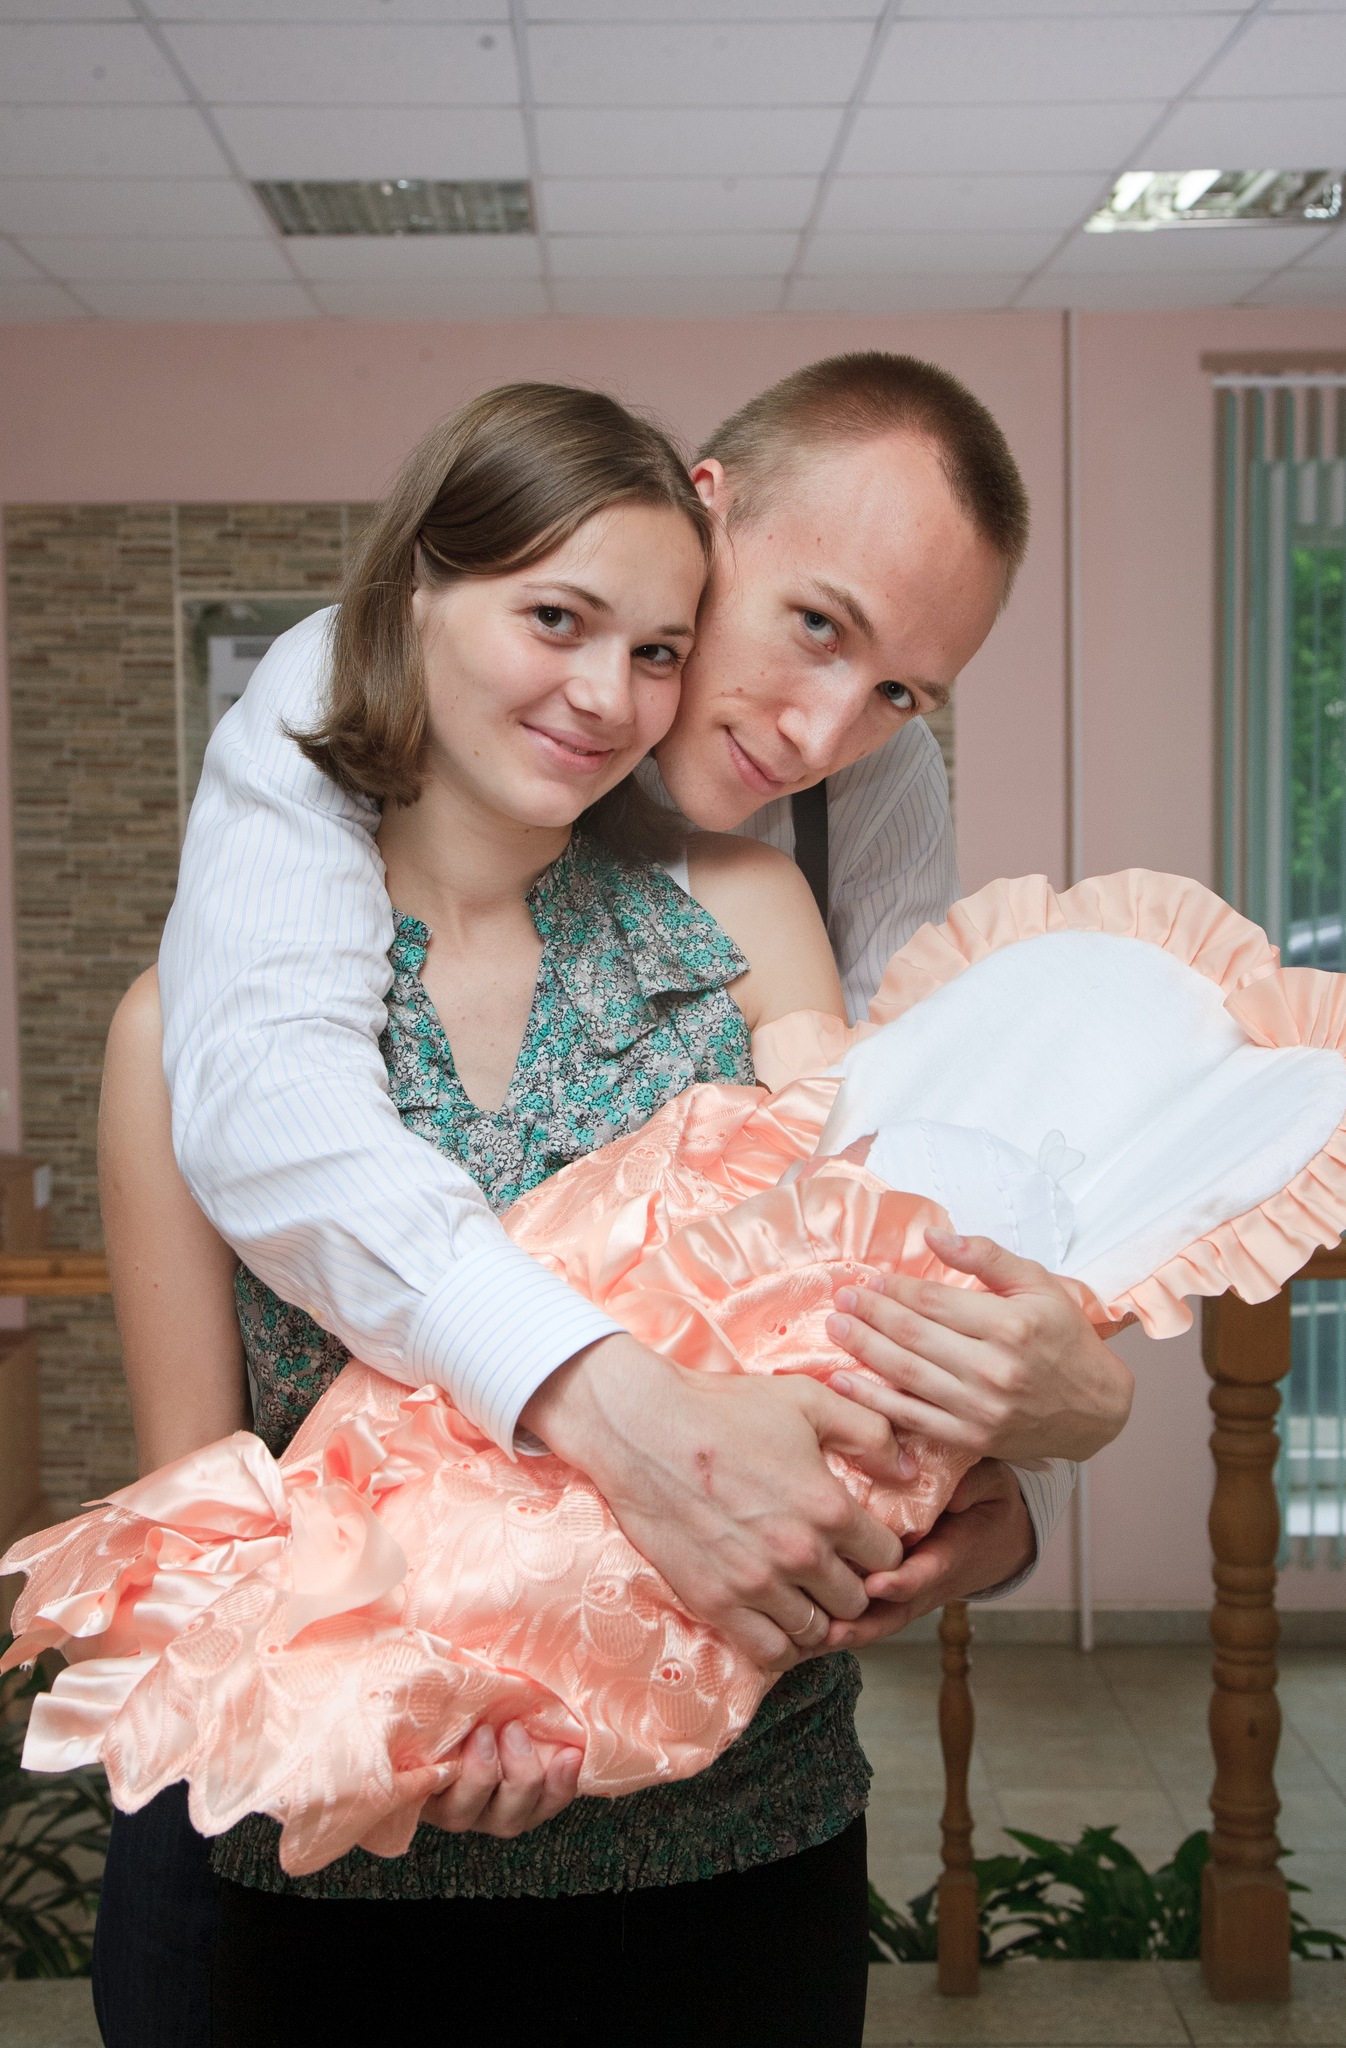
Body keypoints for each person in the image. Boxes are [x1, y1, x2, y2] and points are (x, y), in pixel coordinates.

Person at [83, 381, 910, 2047]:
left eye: (658, 651)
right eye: (555, 619)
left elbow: (840, 1343)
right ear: (412, 599)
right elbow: (201, 1510)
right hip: (335, 1876)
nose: (606, 696)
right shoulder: (190, 1029)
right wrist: (403, 1708)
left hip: (730, 1851)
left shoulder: (745, 921)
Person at [158, 353, 1134, 1682]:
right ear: (706, 511)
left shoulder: (873, 785)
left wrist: (1035, 1468)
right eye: (817, 625)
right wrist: (607, 1407)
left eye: (899, 690)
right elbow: (271, 1105)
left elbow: (909, 1178)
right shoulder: (341, 675)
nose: (822, 735)